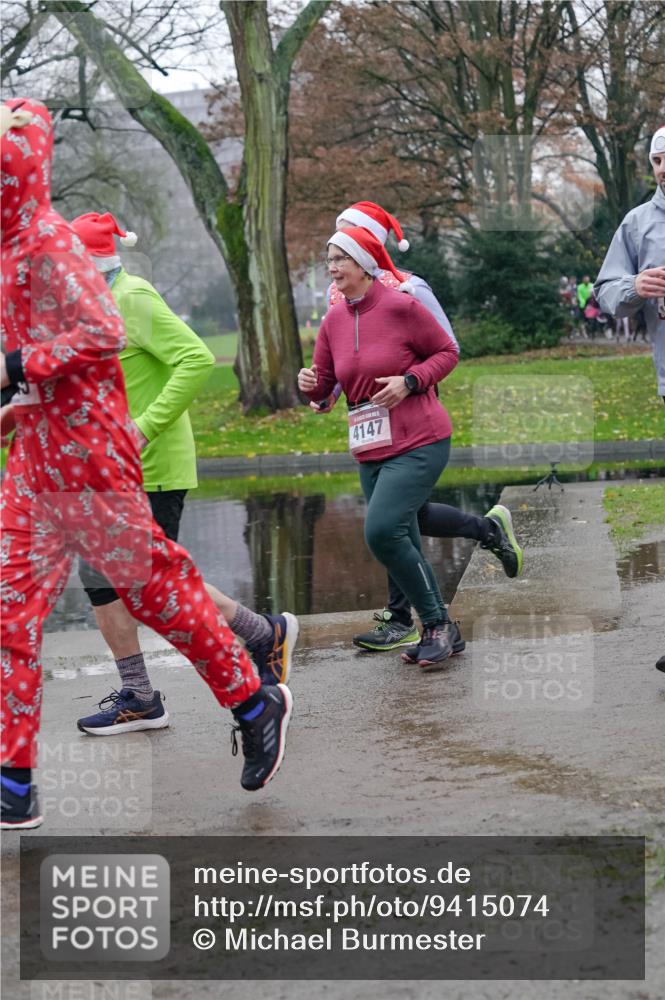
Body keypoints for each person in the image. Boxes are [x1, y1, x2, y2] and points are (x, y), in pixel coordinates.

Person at [0, 99, 293, 829]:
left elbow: (100, 331)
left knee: (158, 593)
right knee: (7, 614)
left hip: (96, 462)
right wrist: (21, 399)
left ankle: (254, 703)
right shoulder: (8, 250)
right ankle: (13, 782)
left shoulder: (48, 244)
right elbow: (50, 364)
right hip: (35, 463)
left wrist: (13, 364)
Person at [68, 212, 298, 736]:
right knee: (103, 580)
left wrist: (143, 428)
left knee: (151, 584)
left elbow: (195, 358)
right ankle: (142, 694)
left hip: (152, 469)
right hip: (109, 474)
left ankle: (260, 636)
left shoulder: (133, 297)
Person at [298, 226, 521, 671]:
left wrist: (411, 381)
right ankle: (485, 537)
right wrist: (312, 387)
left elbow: (447, 352)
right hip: (371, 443)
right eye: (329, 260)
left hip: (421, 436)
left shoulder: (402, 306)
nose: (333, 268)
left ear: (364, 264)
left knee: (382, 531)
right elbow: (326, 386)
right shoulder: (333, 321)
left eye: (340, 259)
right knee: (407, 524)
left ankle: (438, 625)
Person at [595, 124, 665, 403]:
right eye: (657, 161)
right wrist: (634, 286)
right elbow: (606, 292)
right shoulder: (638, 224)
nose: (662, 169)